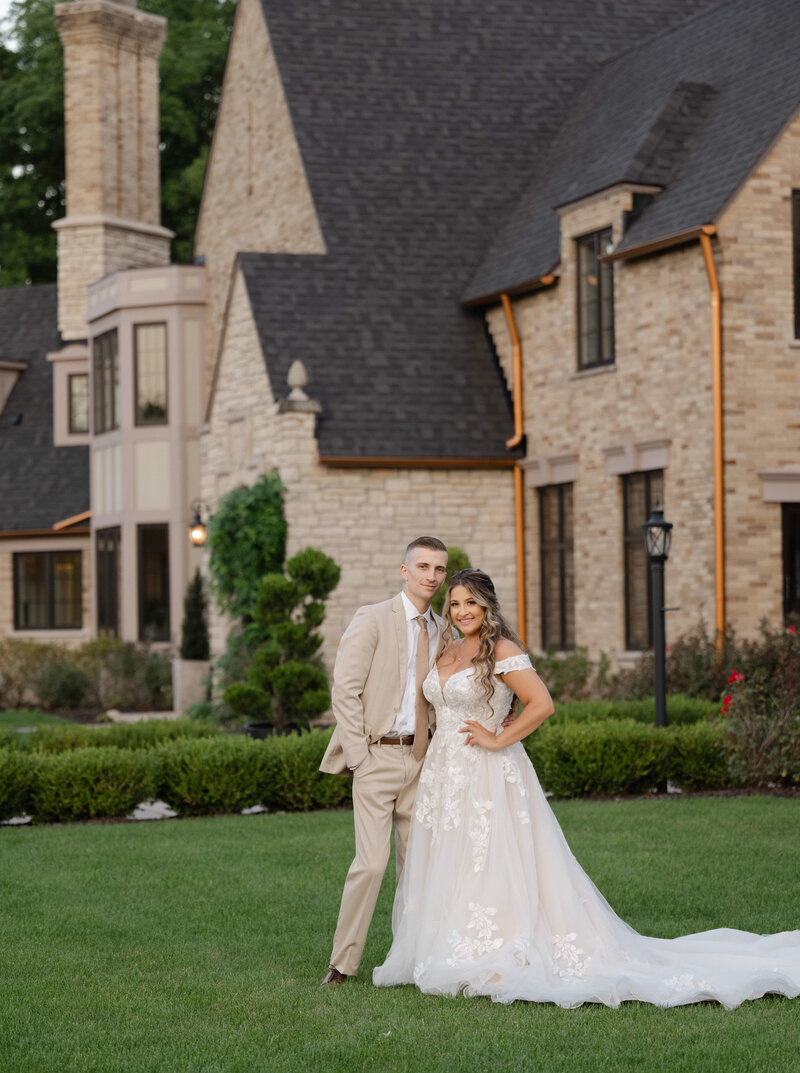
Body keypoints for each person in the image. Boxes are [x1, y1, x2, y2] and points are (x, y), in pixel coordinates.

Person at [373, 569, 800, 1008]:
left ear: (487, 607)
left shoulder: (501, 649)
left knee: (491, 859)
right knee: (451, 856)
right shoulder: (445, 646)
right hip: (444, 774)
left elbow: (542, 704)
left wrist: (499, 737)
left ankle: (493, 948)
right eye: (456, 603)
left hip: (488, 773)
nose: (462, 611)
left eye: (471, 603)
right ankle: (444, 943)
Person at [319, 536, 449, 986]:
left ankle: (410, 960)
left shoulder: (442, 629)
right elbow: (345, 690)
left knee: (417, 866)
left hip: (422, 759)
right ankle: (342, 963)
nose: (431, 576)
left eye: (439, 569)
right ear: (405, 570)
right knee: (371, 864)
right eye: (423, 567)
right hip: (376, 756)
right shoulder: (372, 619)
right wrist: (359, 758)